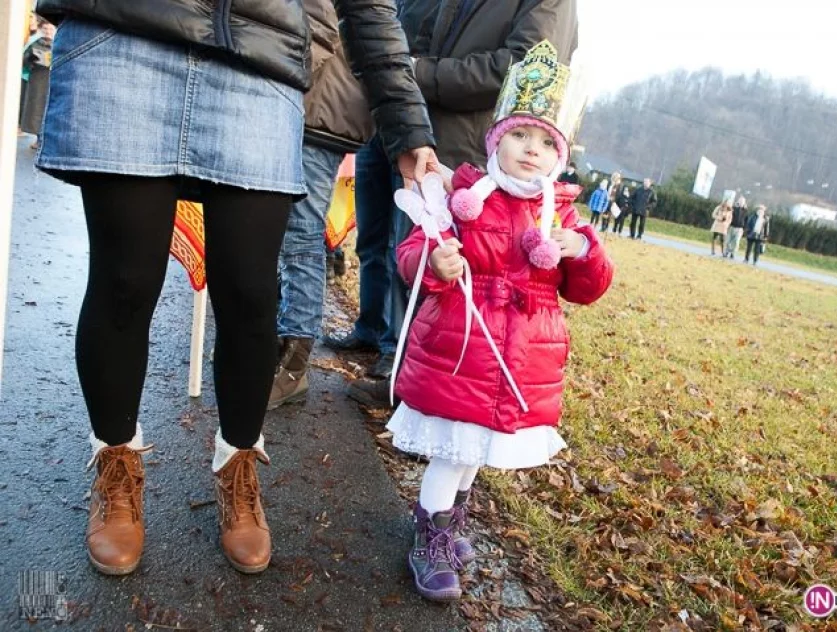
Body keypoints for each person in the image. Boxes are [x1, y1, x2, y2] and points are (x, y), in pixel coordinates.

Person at [35, 0, 437, 577]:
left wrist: (405, 121)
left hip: (260, 61)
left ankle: (238, 467)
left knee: (252, 294)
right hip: (124, 36)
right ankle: (115, 465)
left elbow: (367, 6)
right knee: (125, 281)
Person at [387, 41, 614, 602]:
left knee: (476, 454)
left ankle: (451, 520)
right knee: (452, 450)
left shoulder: (560, 216)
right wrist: (435, 263)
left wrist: (580, 252)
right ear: (496, 140)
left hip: (519, 357)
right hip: (462, 349)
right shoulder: (463, 197)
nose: (530, 151)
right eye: (519, 136)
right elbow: (416, 249)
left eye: (544, 142)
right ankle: (430, 535)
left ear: (559, 156)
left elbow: (589, 288)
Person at [325, 0, 579, 387]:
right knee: (375, 238)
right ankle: (372, 328)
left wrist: (419, 73)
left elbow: (520, 67)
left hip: (453, 132)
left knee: (418, 244)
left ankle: (401, 364)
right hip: (393, 118)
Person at [269, 0, 435, 410]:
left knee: (301, 235)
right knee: (277, 229)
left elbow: (366, 31)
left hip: (322, 105)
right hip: (303, 95)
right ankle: (276, 341)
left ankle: (293, 360)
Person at [20, 20, 55, 149]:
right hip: (37, 80)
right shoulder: (35, 43)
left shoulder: (58, 44)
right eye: (45, 29)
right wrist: (30, 58)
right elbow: (23, 61)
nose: (48, 32)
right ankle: (38, 138)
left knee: (49, 110)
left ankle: (46, 139)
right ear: (42, 30)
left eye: (50, 29)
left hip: (51, 80)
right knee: (36, 110)